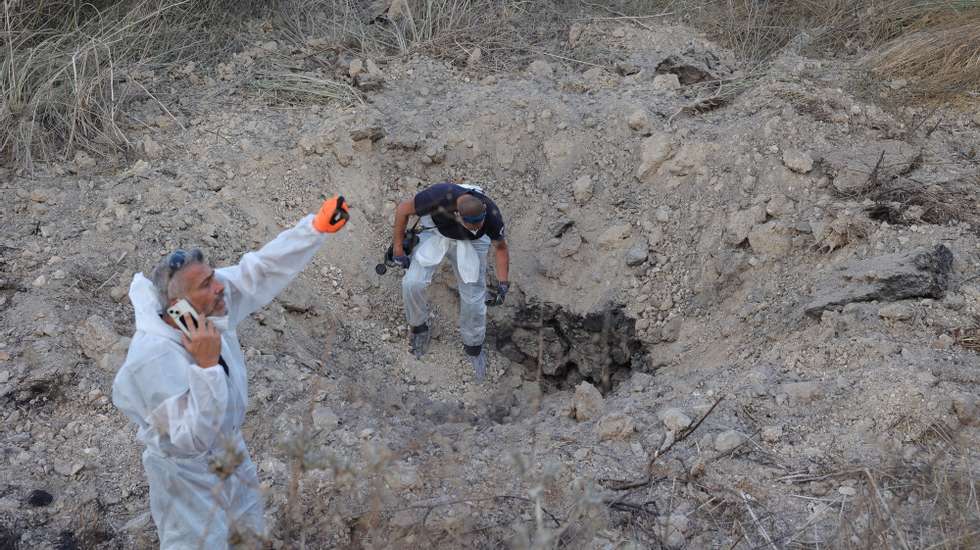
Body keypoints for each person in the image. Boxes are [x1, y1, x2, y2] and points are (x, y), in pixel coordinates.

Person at [111, 197, 349, 549]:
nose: (220, 286)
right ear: (178, 306)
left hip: (231, 452)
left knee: (248, 534)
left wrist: (313, 228)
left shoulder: (207, 310)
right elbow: (191, 440)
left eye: (213, 278)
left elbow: (260, 271)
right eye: (206, 284)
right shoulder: (153, 357)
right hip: (188, 476)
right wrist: (207, 369)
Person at [391, 181, 510, 380]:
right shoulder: (437, 196)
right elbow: (403, 210)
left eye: (480, 224)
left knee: (473, 299)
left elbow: (500, 248)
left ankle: (474, 348)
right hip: (439, 233)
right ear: (457, 215)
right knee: (412, 283)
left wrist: (503, 283)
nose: (478, 227)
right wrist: (397, 248)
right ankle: (419, 329)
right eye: (473, 225)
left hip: (472, 244)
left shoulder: (491, 216)